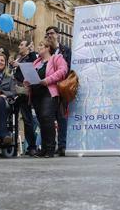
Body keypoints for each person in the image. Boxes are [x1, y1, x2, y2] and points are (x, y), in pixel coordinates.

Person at [24, 39, 68, 158]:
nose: (39, 47)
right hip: (36, 94)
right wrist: (26, 81)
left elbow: (63, 71)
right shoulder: (36, 62)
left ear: (48, 48)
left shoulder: (56, 58)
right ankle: (43, 149)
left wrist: (47, 80)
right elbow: (29, 76)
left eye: (41, 45)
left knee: (47, 118)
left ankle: (50, 148)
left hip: (49, 92)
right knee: (42, 121)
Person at [44, 26, 71, 156]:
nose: (49, 35)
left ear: (57, 35)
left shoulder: (66, 50)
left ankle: (62, 145)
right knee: (48, 117)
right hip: (49, 88)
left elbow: (70, 66)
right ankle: (51, 145)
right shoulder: (46, 51)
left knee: (62, 117)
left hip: (62, 86)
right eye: (47, 34)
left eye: (52, 33)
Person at [9, 40, 38, 156]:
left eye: (21, 45)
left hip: (24, 92)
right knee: (12, 120)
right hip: (13, 91)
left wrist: (31, 51)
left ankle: (32, 147)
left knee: (27, 120)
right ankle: (13, 147)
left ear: (27, 48)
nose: (19, 47)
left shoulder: (30, 57)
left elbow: (33, 64)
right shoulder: (18, 59)